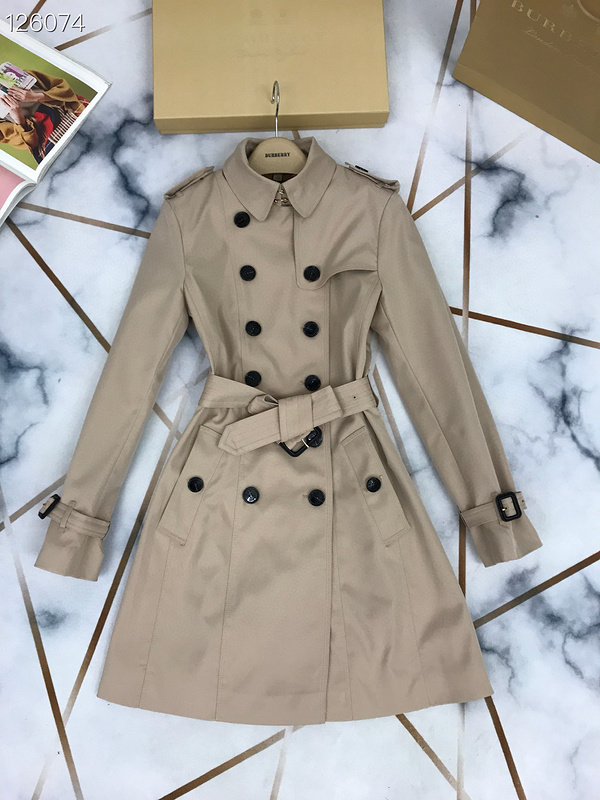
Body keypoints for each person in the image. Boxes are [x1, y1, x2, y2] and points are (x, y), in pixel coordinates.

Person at [0, 68, 90, 163]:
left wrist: (36, 97)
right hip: (42, 134)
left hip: (62, 108)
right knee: (58, 158)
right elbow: (31, 144)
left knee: (88, 117)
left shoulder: (14, 74)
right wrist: (19, 118)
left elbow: (65, 90)